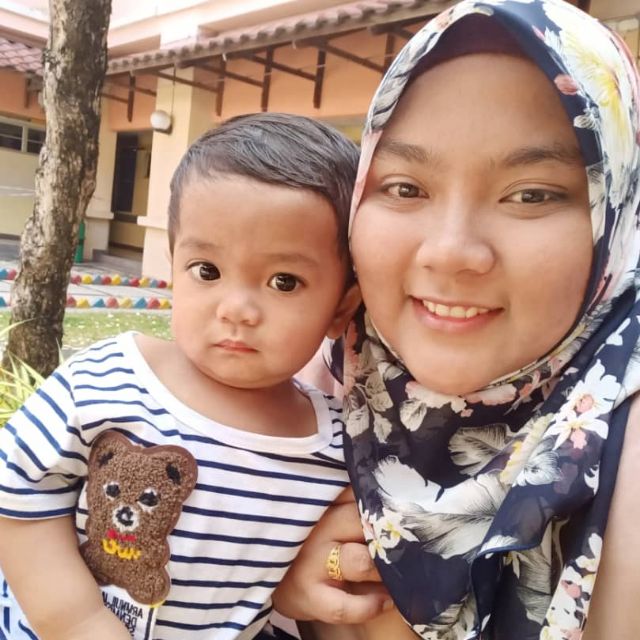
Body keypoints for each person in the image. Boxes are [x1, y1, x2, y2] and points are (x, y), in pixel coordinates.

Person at [273, 1, 640, 638]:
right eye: (405, 187)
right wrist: (257, 583)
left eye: (531, 194)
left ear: (615, 217)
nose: (450, 252)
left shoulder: (622, 445)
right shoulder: (314, 373)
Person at [0, 112, 363, 640]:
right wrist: (79, 623)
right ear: (174, 267)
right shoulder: (106, 380)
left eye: (284, 281)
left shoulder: (337, 447)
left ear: (340, 308)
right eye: (207, 271)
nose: (236, 309)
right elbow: (16, 497)